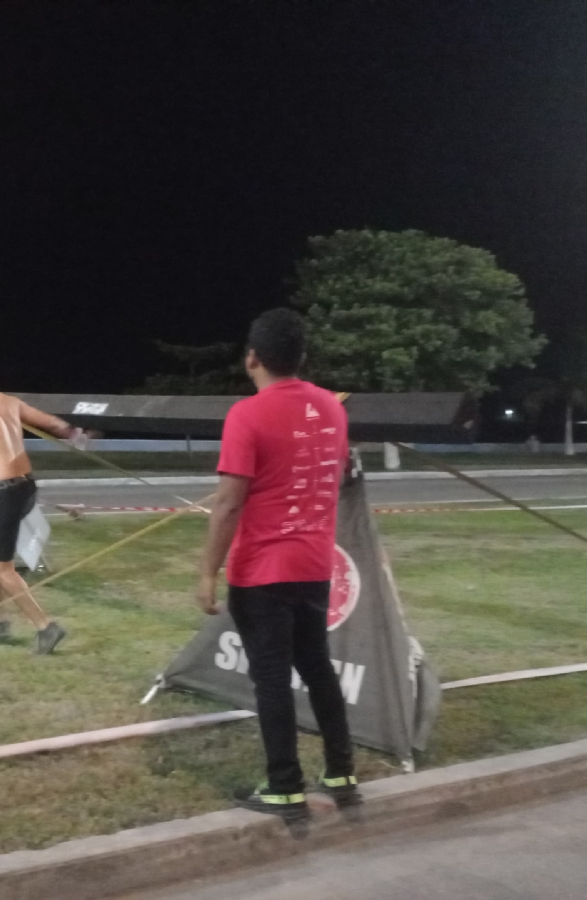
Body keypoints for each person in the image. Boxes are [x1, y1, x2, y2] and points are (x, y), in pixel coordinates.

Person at [194, 308, 358, 821]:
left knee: (271, 677)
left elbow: (227, 503)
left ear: (252, 358)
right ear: (301, 357)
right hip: (315, 564)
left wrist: (206, 572)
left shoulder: (247, 415)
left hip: (264, 570)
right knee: (316, 667)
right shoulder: (332, 408)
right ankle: (341, 772)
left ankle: (285, 786)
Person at [0, 359, 84, 654]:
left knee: (3, 567)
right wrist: (73, 434)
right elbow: (52, 423)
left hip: (6, 491)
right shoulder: (7, 400)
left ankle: (46, 627)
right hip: (26, 486)